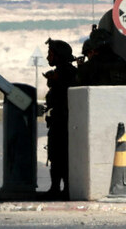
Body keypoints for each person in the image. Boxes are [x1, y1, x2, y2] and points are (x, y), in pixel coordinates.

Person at [43, 38, 77, 200]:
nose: (48, 57)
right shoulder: (62, 72)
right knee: (55, 156)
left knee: (61, 156)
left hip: (65, 123)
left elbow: (68, 94)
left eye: (50, 54)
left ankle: (64, 188)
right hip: (59, 121)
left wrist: (57, 80)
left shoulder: (68, 73)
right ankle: (56, 187)